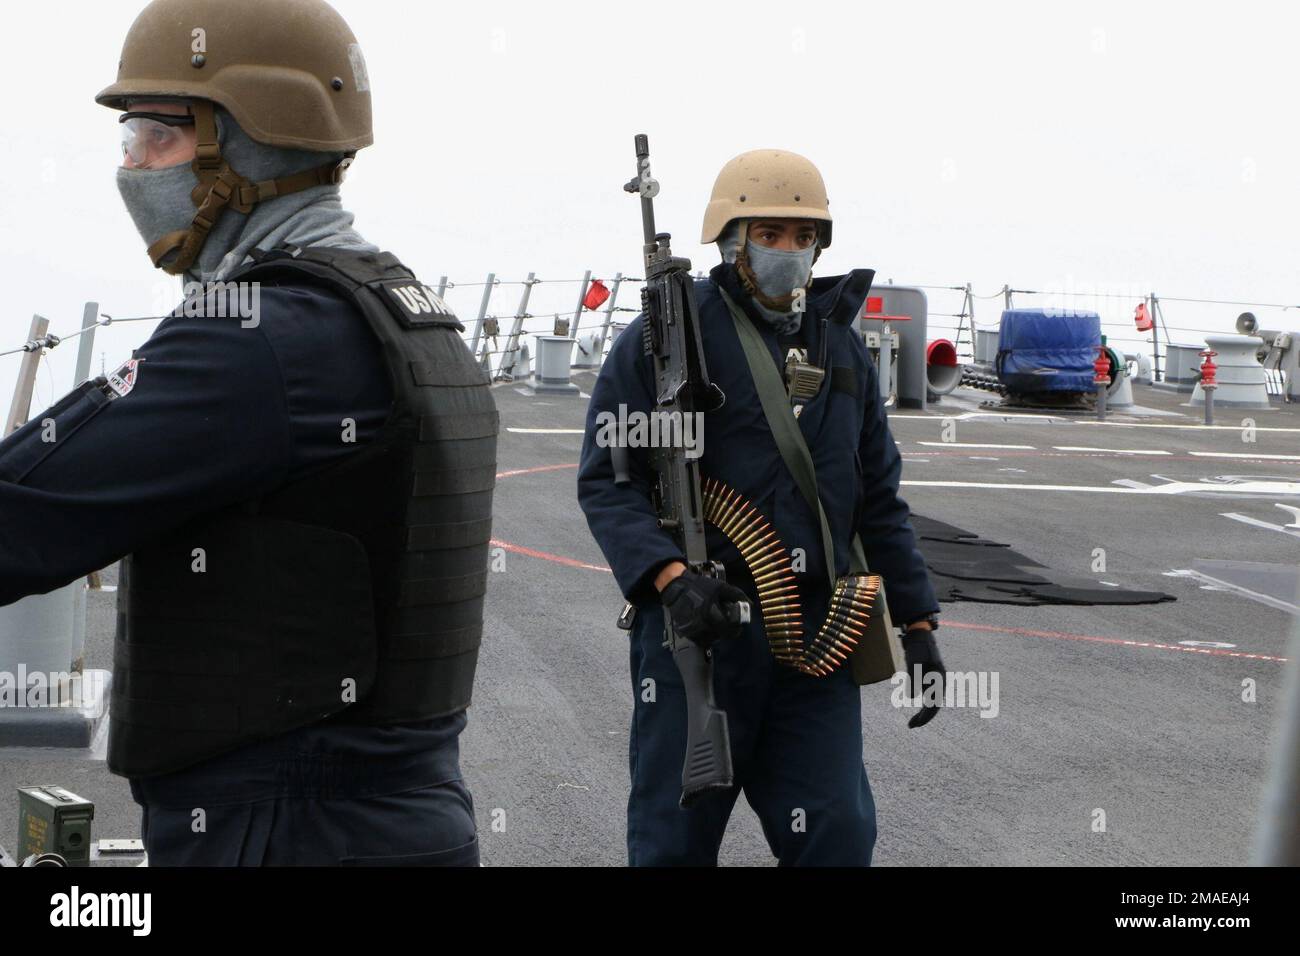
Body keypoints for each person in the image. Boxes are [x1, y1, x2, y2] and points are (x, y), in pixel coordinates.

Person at [0, 0, 497, 865]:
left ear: (249, 144)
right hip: (408, 815)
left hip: (280, 830)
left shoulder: (258, 340)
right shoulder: (408, 312)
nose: (132, 169)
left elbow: (25, 511)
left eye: (156, 136)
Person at [577, 148, 945, 866]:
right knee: (672, 843)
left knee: (837, 835)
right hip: (700, 631)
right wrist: (669, 579)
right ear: (732, 239)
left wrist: (918, 619)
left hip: (816, 640)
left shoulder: (842, 346)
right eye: (769, 234)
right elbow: (607, 480)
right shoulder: (668, 340)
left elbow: (877, 499)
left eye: (802, 237)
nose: (787, 252)